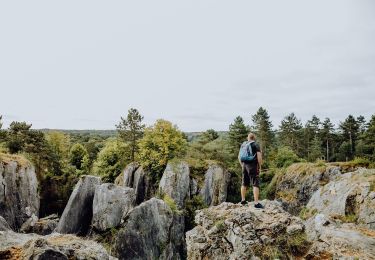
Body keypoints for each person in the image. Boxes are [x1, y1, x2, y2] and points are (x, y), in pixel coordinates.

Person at [239, 133, 263, 208]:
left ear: (248, 138)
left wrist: (242, 165)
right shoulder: (255, 144)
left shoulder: (243, 144)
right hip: (252, 166)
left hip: (244, 165)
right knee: (255, 183)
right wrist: (260, 166)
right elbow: (259, 157)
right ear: (254, 138)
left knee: (244, 183)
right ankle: (256, 203)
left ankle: (243, 200)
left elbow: (239, 156)